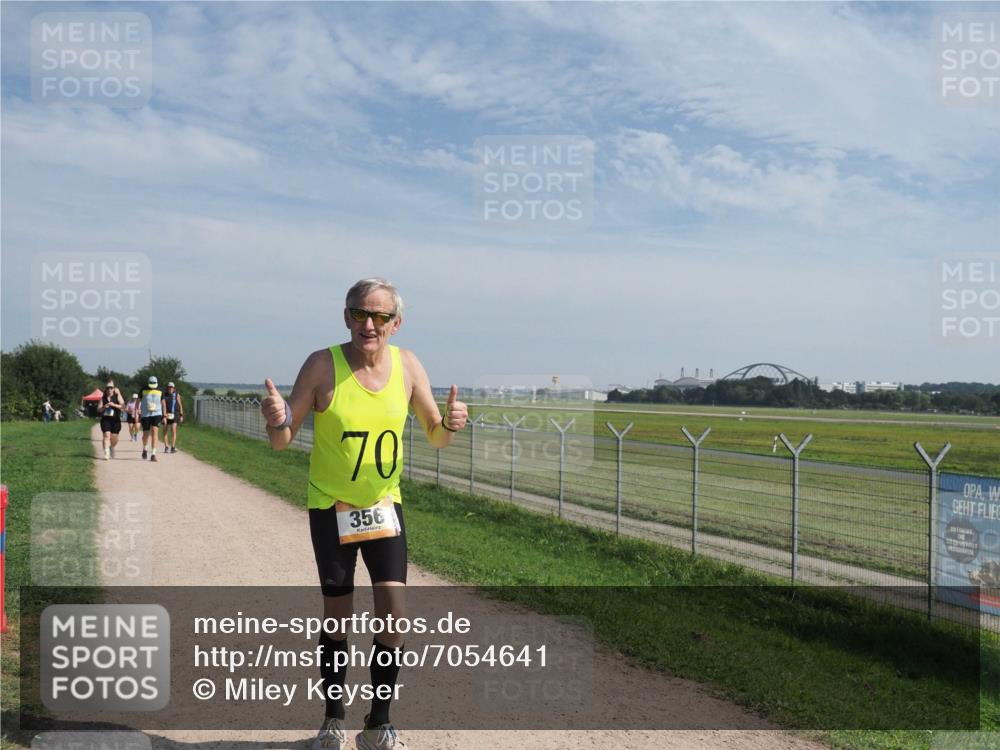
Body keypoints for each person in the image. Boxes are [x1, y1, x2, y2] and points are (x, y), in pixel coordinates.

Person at [261, 278, 468, 750]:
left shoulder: (408, 365)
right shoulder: (321, 365)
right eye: (359, 313)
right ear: (346, 316)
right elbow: (282, 438)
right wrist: (276, 419)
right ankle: (333, 720)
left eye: (379, 316)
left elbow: (436, 435)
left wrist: (452, 424)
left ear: (396, 323)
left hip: (383, 506)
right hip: (330, 507)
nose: (368, 324)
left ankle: (378, 724)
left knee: (393, 614)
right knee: (337, 615)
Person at [140, 376, 164, 462]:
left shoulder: (160, 390)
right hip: (145, 414)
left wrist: (164, 415)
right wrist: (136, 411)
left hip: (157, 413)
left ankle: (153, 454)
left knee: (154, 430)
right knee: (146, 433)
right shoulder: (143, 390)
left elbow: (163, 402)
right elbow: (138, 401)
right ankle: (144, 449)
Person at [99, 381, 125, 460]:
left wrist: (113, 405)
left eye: (111, 388)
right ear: (106, 389)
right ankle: (106, 453)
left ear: (114, 389)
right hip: (106, 420)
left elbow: (123, 406)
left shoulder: (117, 396)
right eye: (108, 388)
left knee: (114, 438)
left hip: (116, 420)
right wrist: (104, 407)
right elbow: (99, 409)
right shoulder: (103, 398)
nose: (109, 389)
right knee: (106, 435)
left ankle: (111, 447)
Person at [161, 382, 185, 453]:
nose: (170, 388)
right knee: (165, 430)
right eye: (169, 387)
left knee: (173, 430)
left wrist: (181, 415)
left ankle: (173, 447)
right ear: (167, 388)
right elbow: (163, 406)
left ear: (174, 388)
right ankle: (166, 447)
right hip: (166, 414)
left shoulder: (177, 395)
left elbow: (180, 405)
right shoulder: (164, 395)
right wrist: (164, 416)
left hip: (175, 414)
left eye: (172, 387)